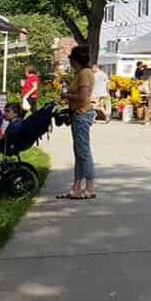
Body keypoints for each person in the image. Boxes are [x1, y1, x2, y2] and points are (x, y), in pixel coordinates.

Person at [58, 45, 96, 200]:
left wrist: (66, 96)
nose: (70, 63)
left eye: (71, 60)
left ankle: (89, 187)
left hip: (81, 114)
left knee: (84, 153)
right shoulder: (81, 73)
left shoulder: (85, 74)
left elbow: (83, 98)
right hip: (78, 115)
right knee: (79, 153)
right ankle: (76, 187)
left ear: (75, 60)